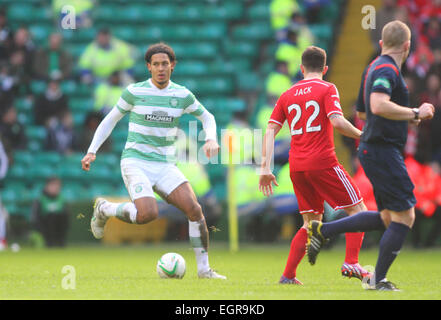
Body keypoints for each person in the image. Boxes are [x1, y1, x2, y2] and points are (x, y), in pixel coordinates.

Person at [306, 21, 435, 291]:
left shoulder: (371, 68)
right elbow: (377, 105)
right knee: (406, 217)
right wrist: (414, 113)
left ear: (381, 43)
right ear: (408, 46)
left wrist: (398, 118)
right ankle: (377, 280)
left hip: (373, 149)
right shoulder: (387, 69)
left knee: (388, 217)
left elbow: (364, 113)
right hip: (382, 150)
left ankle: (323, 230)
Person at [81, 43, 226, 279]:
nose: (161, 68)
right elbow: (110, 120)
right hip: (135, 161)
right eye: (156, 64)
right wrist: (91, 150)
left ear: (173, 66)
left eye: (165, 64)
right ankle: (105, 208)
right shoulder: (135, 92)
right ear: (148, 67)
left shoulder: (181, 95)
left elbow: (207, 116)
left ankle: (204, 270)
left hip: (165, 164)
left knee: (195, 209)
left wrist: (210, 139)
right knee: (148, 214)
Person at [259, 46, 370, 285]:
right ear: (325, 68)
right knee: (359, 210)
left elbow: (270, 129)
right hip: (322, 161)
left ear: (301, 68)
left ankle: (288, 276)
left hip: (296, 166)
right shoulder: (327, 88)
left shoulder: (287, 94)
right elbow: (338, 122)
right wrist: (362, 134)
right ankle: (351, 262)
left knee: (310, 223)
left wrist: (265, 168)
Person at [31, 177, 69, 247]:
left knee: (62, 216)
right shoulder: (40, 199)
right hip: (44, 227)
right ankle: (49, 242)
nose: (55, 188)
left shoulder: (62, 199)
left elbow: (66, 215)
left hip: (59, 227)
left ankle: (60, 241)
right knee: (51, 216)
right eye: (53, 185)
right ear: (47, 186)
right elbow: (35, 217)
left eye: (57, 186)